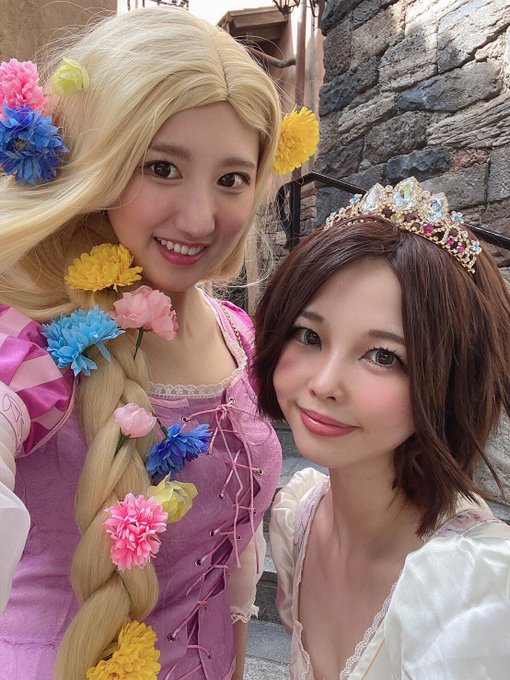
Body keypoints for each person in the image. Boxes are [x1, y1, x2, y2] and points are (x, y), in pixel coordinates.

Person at [0, 5, 321, 678]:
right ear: (99, 159)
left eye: (231, 178)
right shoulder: (27, 340)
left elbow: (233, 562)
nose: (201, 219)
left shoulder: (239, 337)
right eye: (162, 168)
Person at [254, 177, 510, 679]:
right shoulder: (298, 520)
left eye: (383, 356)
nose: (324, 383)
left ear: (450, 380)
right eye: (309, 335)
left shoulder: (472, 591)